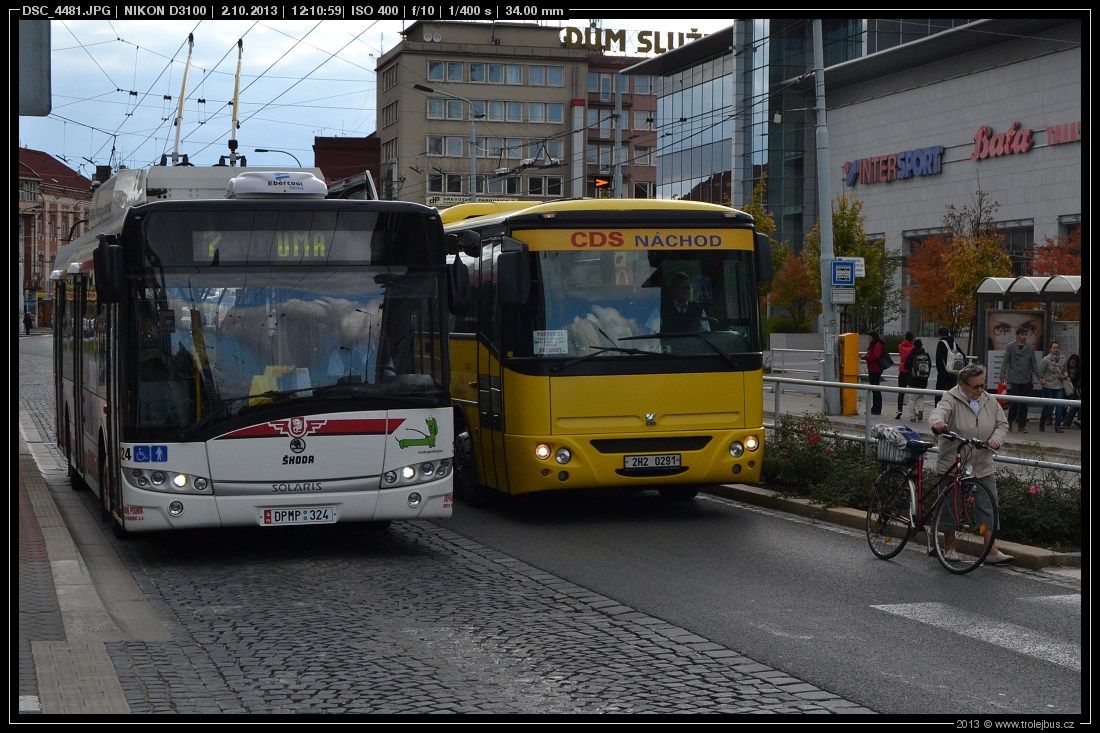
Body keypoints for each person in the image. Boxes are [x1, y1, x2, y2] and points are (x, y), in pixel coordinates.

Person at [929, 363, 1013, 565]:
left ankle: (990, 550)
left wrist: (995, 440)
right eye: (975, 386)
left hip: (982, 461)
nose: (980, 390)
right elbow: (938, 412)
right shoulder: (951, 397)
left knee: (988, 503)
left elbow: (1002, 424)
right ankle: (949, 546)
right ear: (962, 384)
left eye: (982, 385)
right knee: (951, 504)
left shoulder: (988, 400)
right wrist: (938, 423)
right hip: (955, 460)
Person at [997, 326, 1041, 433]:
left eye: (1025, 334)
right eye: (1022, 334)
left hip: (1026, 378)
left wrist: (1040, 377)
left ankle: (1022, 426)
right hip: (1014, 378)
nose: (1024, 336)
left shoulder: (1030, 347)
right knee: (1015, 402)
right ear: (1017, 335)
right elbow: (1005, 361)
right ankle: (1010, 420)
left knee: (1024, 403)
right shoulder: (1011, 346)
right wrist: (1001, 375)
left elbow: (1033, 362)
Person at [1037, 341, 1069, 433]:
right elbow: (1040, 372)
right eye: (1054, 348)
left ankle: (1057, 426)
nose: (1056, 349)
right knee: (1047, 406)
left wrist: (1064, 376)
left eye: (1057, 347)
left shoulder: (1063, 358)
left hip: (1059, 385)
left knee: (1059, 406)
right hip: (1048, 386)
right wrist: (1041, 379)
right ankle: (1042, 423)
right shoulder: (1046, 359)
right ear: (1050, 349)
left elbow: (1065, 371)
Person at [903, 338, 932, 422]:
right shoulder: (926, 355)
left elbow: (906, 366)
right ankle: (920, 410)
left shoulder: (912, 354)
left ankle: (912, 416)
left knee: (912, 398)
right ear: (921, 345)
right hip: (923, 380)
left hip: (912, 379)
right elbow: (929, 366)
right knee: (920, 397)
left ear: (914, 345)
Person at [862, 329, 886, 416]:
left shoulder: (877, 345)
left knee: (876, 390)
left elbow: (875, 356)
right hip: (872, 369)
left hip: (875, 369)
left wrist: (865, 357)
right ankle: (875, 408)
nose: (868, 338)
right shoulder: (873, 344)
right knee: (874, 389)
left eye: (869, 337)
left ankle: (877, 408)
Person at [934, 327, 963, 392]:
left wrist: (940, 372)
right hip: (954, 373)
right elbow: (963, 356)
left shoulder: (941, 344)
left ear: (940, 335)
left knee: (940, 394)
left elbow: (938, 360)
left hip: (943, 374)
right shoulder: (954, 344)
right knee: (952, 393)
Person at [895, 331, 915, 419]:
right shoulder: (913, 348)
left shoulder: (901, 346)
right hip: (910, 371)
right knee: (913, 393)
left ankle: (899, 410)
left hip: (902, 369)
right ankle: (913, 413)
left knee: (901, 392)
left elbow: (900, 353)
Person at [1062, 353, 1081, 429]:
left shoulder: (1078, 371)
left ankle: (1067, 422)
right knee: (1076, 403)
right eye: (1071, 362)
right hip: (1068, 390)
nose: (1072, 364)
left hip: (1075, 391)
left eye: (1074, 362)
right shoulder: (1066, 370)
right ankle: (1067, 421)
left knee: (1076, 403)